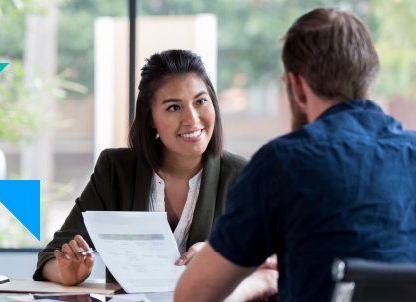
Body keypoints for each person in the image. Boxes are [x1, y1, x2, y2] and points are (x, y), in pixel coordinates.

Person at [175, 8, 416, 302]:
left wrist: (265, 278)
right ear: (371, 78)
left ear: (297, 86)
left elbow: (192, 296)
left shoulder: (283, 163)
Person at [33, 50, 277, 294]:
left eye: (200, 101)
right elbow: (50, 257)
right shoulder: (115, 170)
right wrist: (67, 273)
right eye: (173, 107)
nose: (192, 119)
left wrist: (221, 258)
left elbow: (275, 265)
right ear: (150, 118)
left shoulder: (244, 176)